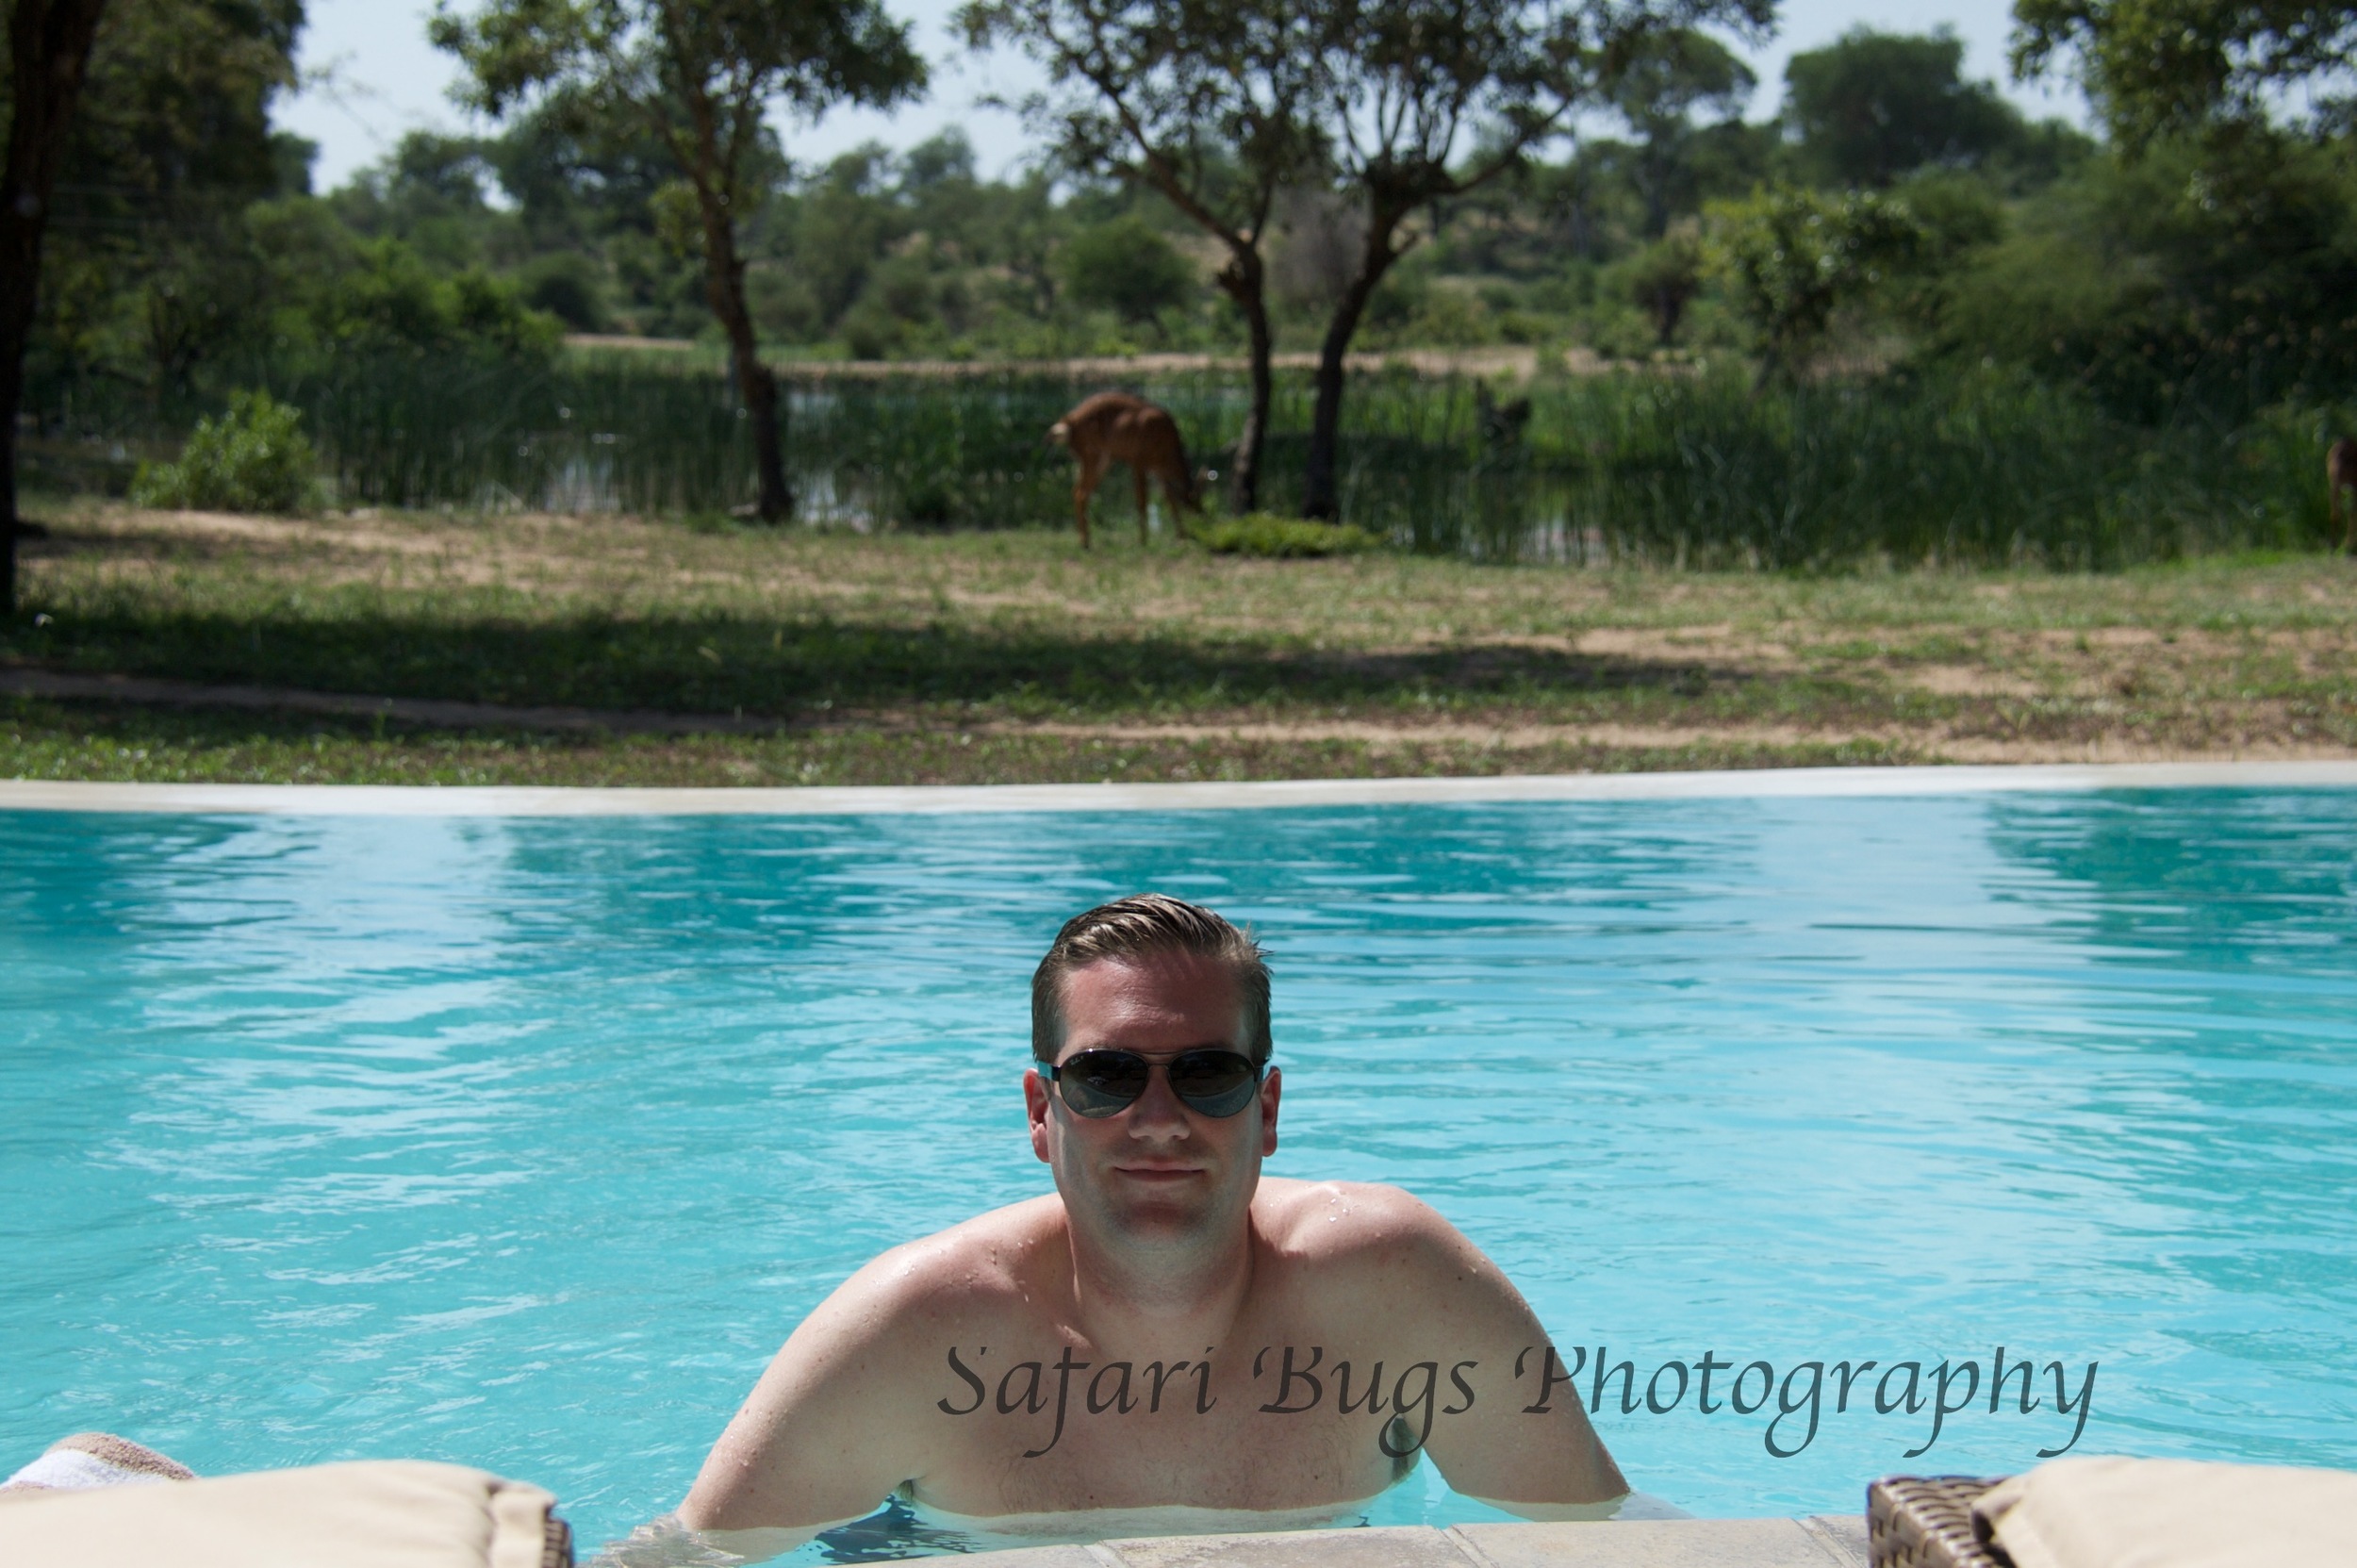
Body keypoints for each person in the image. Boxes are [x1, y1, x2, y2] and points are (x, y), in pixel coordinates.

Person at [674, 895, 1627, 1555]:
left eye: (1206, 1073)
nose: (1160, 1117)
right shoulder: (918, 1329)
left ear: (1266, 1108)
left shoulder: (1394, 1290)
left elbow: (1609, 1541)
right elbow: (686, 1560)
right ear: (1042, 1113)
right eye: (1107, 1075)